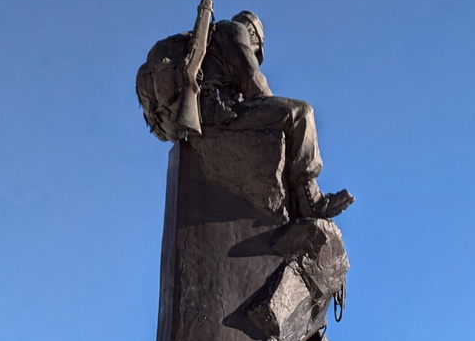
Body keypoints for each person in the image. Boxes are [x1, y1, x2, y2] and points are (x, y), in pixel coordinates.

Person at [137, 11, 353, 222]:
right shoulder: (234, 31)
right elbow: (254, 84)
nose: (255, 53)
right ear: (253, 36)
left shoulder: (209, 39)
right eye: (256, 50)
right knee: (301, 113)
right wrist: (270, 105)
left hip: (209, 116)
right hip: (220, 117)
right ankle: (309, 197)